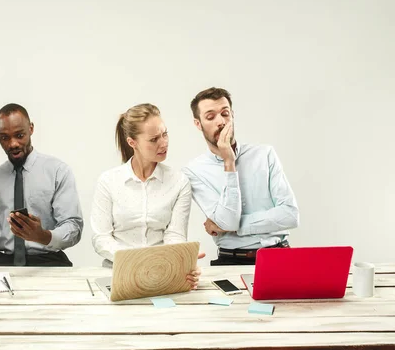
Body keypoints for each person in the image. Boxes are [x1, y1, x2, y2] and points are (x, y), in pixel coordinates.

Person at [91, 103, 204, 288]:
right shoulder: (108, 181)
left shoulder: (179, 182)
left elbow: (175, 235)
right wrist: (137, 262)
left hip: (162, 274)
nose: (164, 143)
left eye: (165, 134)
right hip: (118, 273)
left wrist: (182, 260)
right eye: (153, 139)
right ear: (132, 143)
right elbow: (101, 239)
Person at [182, 87, 299, 266]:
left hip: (278, 256)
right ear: (198, 124)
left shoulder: (264, 154)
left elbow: (290, 215)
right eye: (210, 117)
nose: (221, 121)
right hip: (231, 261)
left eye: (225, 113)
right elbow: (228, 220)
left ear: (232, 115)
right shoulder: (193, 171)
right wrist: (229, 161)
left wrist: (234, 227)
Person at [0, 103, 83, 267]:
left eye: (19, 135)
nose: (12, 144)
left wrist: (43, 236)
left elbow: (73, 228)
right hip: (5, 264)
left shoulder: (58, 171)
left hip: (49, 262)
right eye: (4, 137)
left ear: (31, 129)